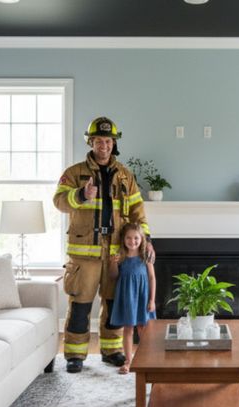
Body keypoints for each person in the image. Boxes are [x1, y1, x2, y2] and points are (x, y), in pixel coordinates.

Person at [53, 116, 154, 374]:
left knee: (113, 305)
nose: (104, 146)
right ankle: (75, 356)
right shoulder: (74, 173)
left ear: (114, 143)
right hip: (84, 255)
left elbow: (137, 211)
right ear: (91, 142)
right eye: (99, 140)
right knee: (80, 305)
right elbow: (59, 202)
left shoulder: (125, 176)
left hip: (115, 255)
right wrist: (80, 195)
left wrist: (147, 241)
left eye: (108, 141)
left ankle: (112, 351)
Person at [109, 223, 156, 374]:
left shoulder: (145, 257)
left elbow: (152, 278)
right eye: (128, 238)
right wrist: (113, 264)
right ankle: (128, 362)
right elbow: (113, 276)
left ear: (142, 239)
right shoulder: (120, 256)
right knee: (128, 328)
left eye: (136, 238)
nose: (132, 241)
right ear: (123, 239)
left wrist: (152, 300)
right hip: (127, 297)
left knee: (143, 329)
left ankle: (146, 360)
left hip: (143, 297)